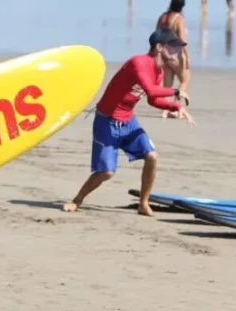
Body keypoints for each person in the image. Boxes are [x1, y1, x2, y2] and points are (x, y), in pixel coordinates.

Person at [63, 28, 193, 216]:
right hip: (106, 120)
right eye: (173, 47)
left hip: (128, 120)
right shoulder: (138, 63)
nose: (178, 51)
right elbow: (150, 90)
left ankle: (143, 203)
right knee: (107, 172)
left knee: (152, 157)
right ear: (159, 47)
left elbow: (152, 100)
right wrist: (176, 92)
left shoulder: (159, 72)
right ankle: (77, 200)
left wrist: (176, 107)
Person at [157, 0, 190, 102]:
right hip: (176, 55)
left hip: (163, 53)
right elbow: (182, 40)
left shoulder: (162, 17)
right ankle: (175, 106)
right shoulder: (179, 19)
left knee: (167, 86)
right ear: (182, 7)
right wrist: (187, 56)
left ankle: (165, 110)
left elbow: (156, 36)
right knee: (185, 80)